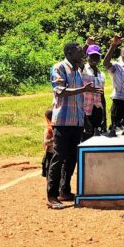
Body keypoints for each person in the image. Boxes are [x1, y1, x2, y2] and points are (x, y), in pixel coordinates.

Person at [47, 42, 100, 209]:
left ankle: (65, 190)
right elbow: (60, 90)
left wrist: (85, 119)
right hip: (62, 121)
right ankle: (52, 196)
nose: (82, 54)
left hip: (76, 121)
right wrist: (83, 89)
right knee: (59, 157)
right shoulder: (59, 67)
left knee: (71, 158)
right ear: (69, 52)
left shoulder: (77, 70)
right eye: (79, 51)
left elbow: (79, 99)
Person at [82, 41, 107, 137]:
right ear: (87, 56)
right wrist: (86, 44)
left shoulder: (102, 74)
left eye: (97, 56)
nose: (94, 58)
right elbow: (79, 59)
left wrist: (104, 116)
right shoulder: (82, 70)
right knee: (85, 138)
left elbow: (102, 95)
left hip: (97, 110)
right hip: (86, 110)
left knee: (97, 138)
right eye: (92, 56)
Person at [41, 108, 53, 178]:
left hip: (51, 155)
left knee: (50, 176)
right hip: (53, 154)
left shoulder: (49, 129)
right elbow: (45, 143)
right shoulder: (50, 129)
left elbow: (45, 142)